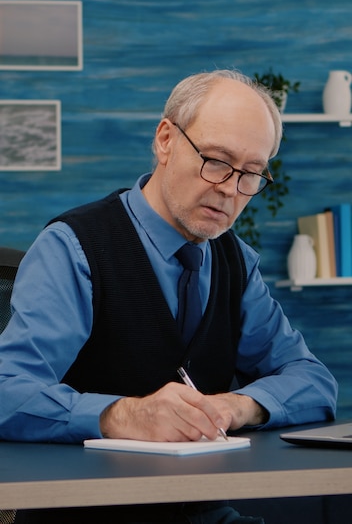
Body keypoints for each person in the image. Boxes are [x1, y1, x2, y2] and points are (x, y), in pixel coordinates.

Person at [0, 70, 337, 524]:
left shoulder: (236, 260)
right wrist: (123, 415)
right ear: (165, 140)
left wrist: (234, 406)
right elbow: (7, 391)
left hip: (202, 510)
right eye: (216, 161)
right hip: (87, 513)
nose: (230, 189)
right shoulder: (74, 247)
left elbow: (313, 381)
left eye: (251, 174)